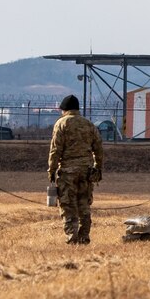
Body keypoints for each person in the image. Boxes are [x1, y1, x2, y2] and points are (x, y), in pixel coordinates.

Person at [48, 95, 104, 245]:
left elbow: (55, 150)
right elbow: (98, 148)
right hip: (86, 171)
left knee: (68, 205)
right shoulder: (89, 124)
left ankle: (72, 237)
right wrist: (98, 168)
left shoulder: (61, 124)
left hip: (67, 171)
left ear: (64, 110)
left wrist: (51, 170)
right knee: (84, 204)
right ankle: (84, 236)